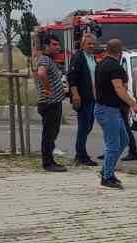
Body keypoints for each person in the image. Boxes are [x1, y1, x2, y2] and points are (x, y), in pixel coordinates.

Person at [94, 38, 137, 189]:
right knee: (113, 144)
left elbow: (94, 86)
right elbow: (119, 88)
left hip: (105, 108)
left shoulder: (100, 64)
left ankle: (106, 170)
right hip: (109, 110)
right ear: (120, 52)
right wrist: (133, 104)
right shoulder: (115, 67)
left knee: (123, 140)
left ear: (107, 50)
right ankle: (107, 177)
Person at [32, 36, 69, 172]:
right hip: (50, 103)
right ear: (46, 46)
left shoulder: (48, 59)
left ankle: (50, 160)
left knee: (52, 133)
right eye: (54, 44)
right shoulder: (44, 59)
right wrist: (48, 88)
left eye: (58, 44)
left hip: (53, 102)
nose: (57, 47)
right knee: (49, 134)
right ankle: (47, 163)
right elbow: (42, 73)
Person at [67, 32, 98, 166]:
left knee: (89, 125)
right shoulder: (78, 57)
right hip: (83, 98)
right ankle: (80, 155)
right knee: (84, 126)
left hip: (93, 98)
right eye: (89, 44)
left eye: (93, 44)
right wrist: (75, 95)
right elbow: (71, 77)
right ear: (82, 44)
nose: (91, 46)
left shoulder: (92, 58)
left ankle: (81, 153)